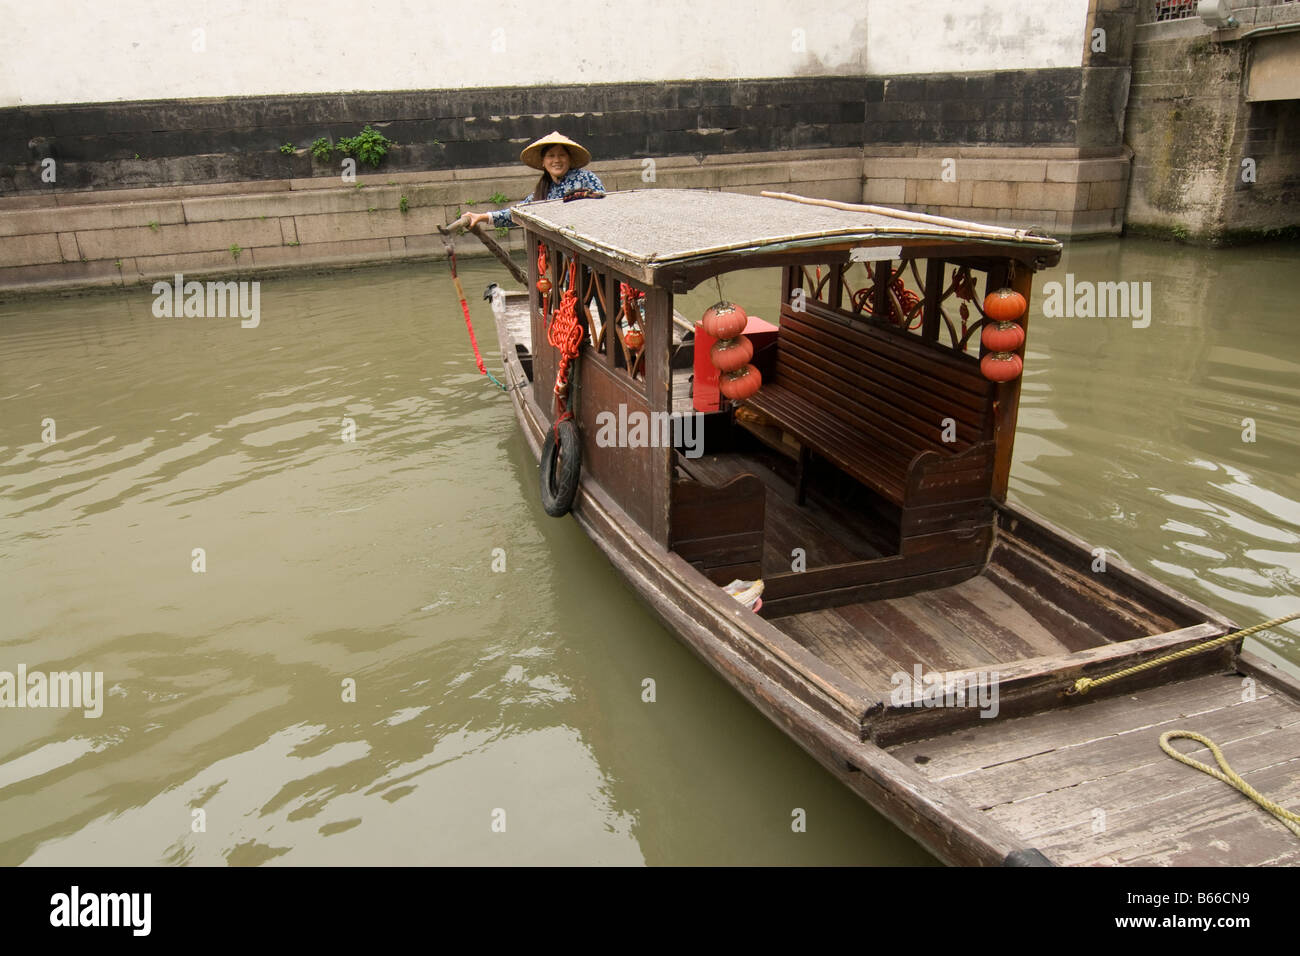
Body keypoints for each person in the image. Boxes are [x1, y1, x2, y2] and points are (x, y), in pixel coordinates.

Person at [465, 131, 605, 230]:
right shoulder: (543, 190)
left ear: (569, 159)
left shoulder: (586, 178)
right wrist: (481, 217)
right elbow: (519, 213)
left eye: (562, 155)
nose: (557, 160)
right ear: (543, 162)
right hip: (563, 257)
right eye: (551, 156)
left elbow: (605, 206)